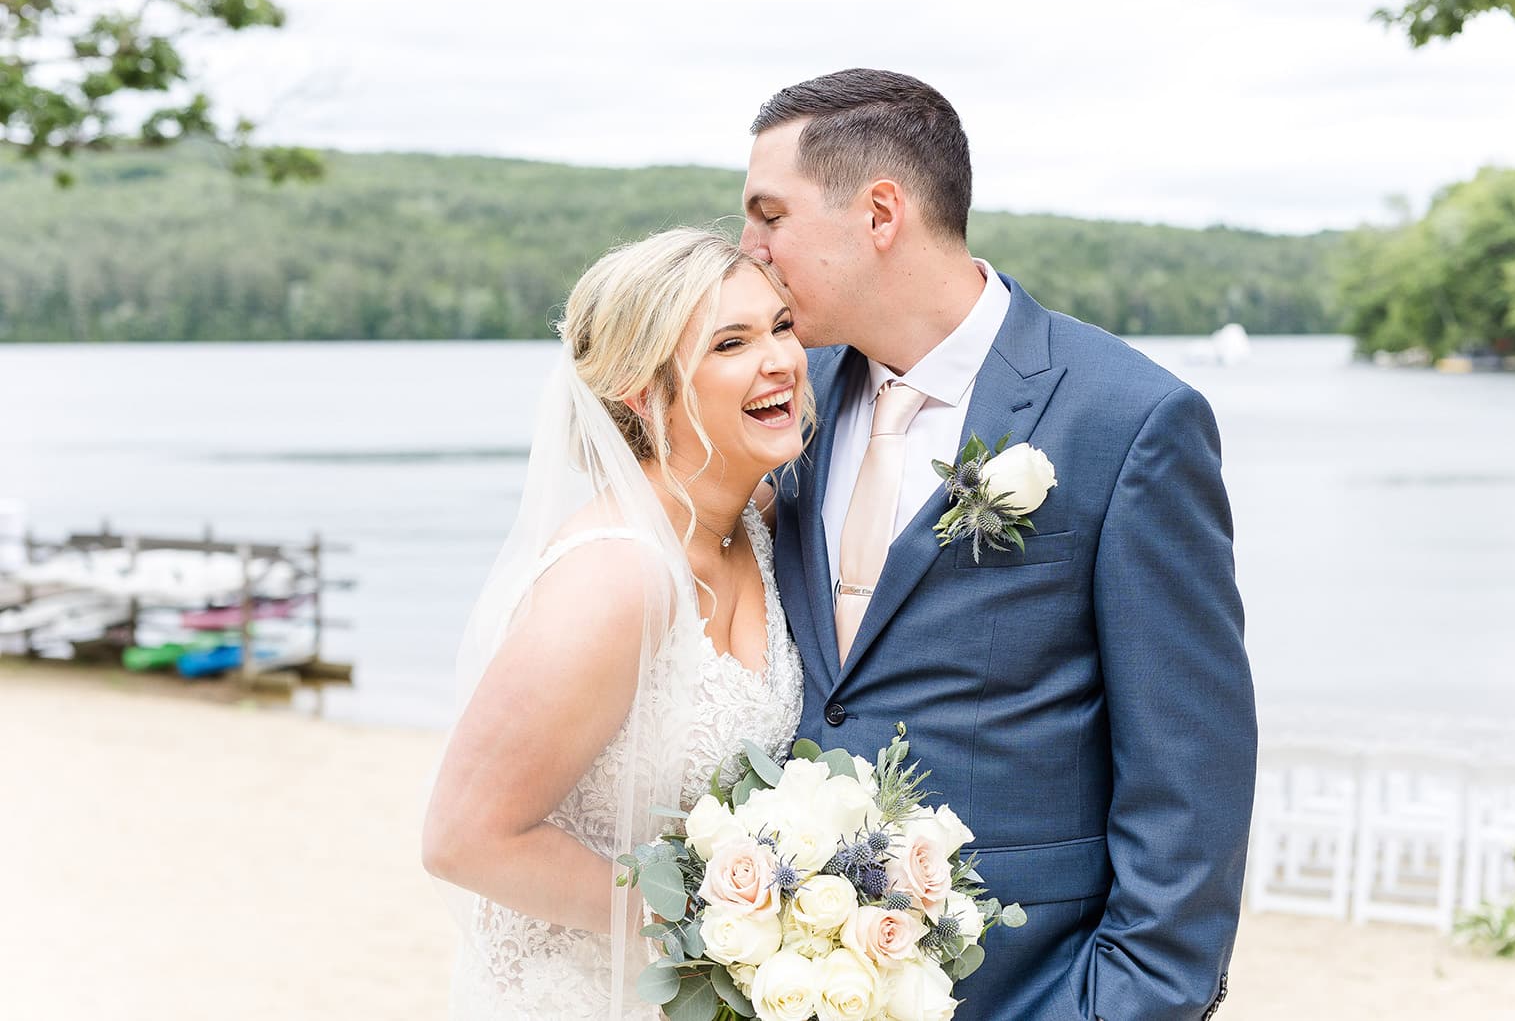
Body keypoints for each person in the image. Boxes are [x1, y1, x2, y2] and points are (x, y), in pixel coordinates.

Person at [740, 69, 1257, 1021]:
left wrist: (1122, 1006)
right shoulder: (783, 398)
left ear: (880, 213)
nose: (749, 248)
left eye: (769, 215)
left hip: (1028, 989)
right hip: (800, 978)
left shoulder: (1129, 419)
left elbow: (1191, 773)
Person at [421, 229, 810, 1020]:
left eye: (782, 326)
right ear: (642, 391)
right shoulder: (617, 575)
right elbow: (462, 837)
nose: (781, 361)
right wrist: (711, 924)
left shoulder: (759, 525)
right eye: (730, 343)